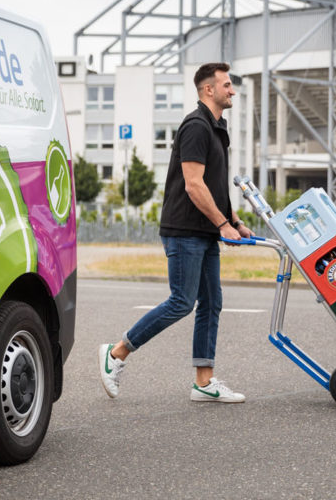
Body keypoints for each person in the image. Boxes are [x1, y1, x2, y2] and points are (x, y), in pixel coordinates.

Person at [98, 62, 252, 403]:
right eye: (226, 85)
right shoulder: (196, 126)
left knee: (211, 302)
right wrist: (223, 225)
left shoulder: (216, 128)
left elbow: (215, 185)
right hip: (185, 230)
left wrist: (233, 220)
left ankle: (204, 381)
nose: (232, 91)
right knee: (182, 301)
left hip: (204, 230)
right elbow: (194, 186)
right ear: (208, 89)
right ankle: (116, 353)